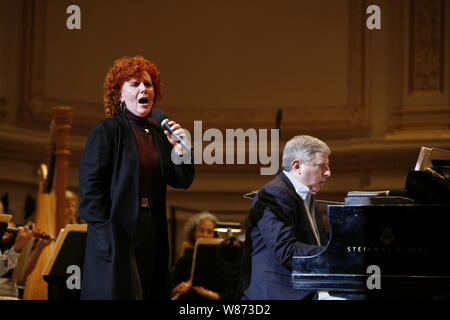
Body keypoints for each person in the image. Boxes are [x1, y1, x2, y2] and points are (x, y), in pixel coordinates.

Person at [79, 56, 194, 300]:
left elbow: (181, 181)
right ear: (119, 95)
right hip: (117, 230)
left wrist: (182, 150)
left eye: (148, 84)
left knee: (148, 290)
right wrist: (106, 232)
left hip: (151, 226)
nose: (144, 89)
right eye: (134, 84)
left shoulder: (158, 134)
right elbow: (90, 189)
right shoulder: (108, 131)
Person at [240, 135, 331, 300]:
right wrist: (334, 253)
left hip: (305, 286)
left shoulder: (307, 196)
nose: (328, 172)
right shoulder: (274, 194)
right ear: (297, 166)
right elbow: (286, 251)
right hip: (278, 293)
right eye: (321, 166)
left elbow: (318, 244)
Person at [170, 212, 221, 300]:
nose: (205, 235)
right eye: (201, 230)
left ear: (214, 235)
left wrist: (206, 293)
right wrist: (177, 289)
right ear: (193, 233)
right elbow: (171, 289)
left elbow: (228, 294)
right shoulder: (184, 261)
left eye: (209, 232)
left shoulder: (221, 261)